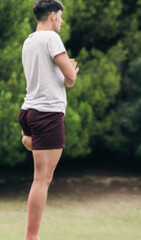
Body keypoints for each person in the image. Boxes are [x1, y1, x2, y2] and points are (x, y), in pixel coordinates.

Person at [18, 1, 79, 239]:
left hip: (28, 112)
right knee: (42, 180)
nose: (62, 22)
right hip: (48, 113)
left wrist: (67, 76)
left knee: (40, 172)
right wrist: (72, 71)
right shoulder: (52, 38)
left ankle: (29, 140)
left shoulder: (29, 40)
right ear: (52, 16)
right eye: (61, 17)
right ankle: (32, 237)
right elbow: (70, 78)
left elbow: (52, 76)